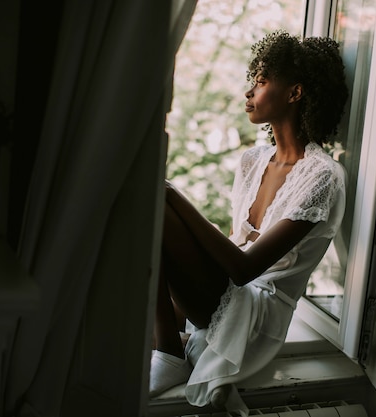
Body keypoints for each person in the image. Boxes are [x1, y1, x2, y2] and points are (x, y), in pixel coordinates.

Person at [150, 30, 349, 413]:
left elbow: (245, 268)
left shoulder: (322, 176)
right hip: (224, 293)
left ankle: (170, 353)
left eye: (260, 82)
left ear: (294, 93)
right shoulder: (253, 161)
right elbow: (232, 244)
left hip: (257, 312)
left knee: (158, 200)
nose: (248, 93)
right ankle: (168, 345)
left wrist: (173, 192)